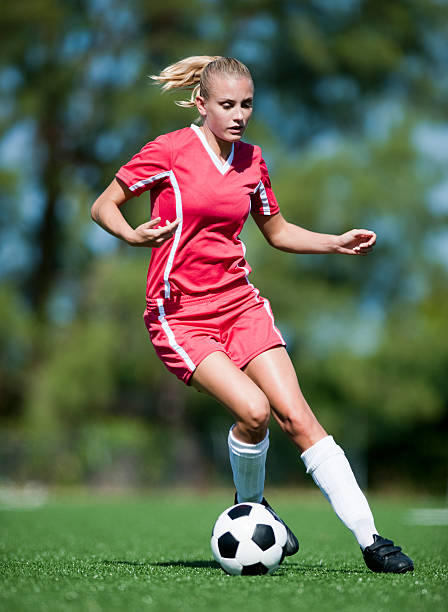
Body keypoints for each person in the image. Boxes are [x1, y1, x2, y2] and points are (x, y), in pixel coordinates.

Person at [91, 56, 413, 574]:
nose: (239, 114)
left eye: (246, 104)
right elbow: (103, 205)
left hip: (241, 306)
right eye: (227, 105)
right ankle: (256, 505)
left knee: (297, 417)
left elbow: (278, 232)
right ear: (201, 103)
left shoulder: (253, 160)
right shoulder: (169, 151)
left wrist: (336, 242)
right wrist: (130, 233)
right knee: (254, 412)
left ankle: (372, 540)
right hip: (180, 315)